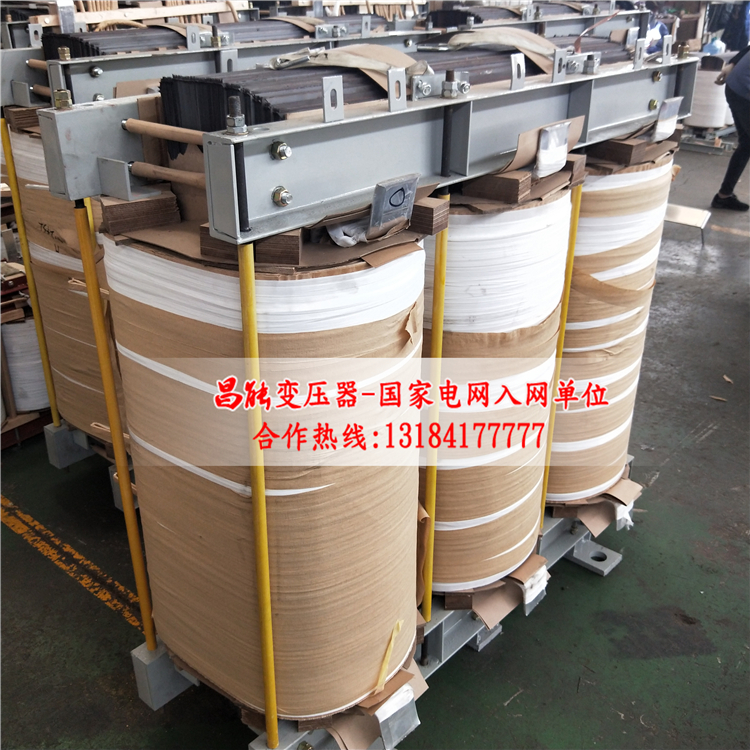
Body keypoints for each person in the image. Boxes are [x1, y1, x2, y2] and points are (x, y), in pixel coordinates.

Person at [712, 45, 750, 211]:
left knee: (747, 144)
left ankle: (724, 196)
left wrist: (733, 64)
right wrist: (733, 63)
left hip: (736, 86)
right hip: (744, 89)